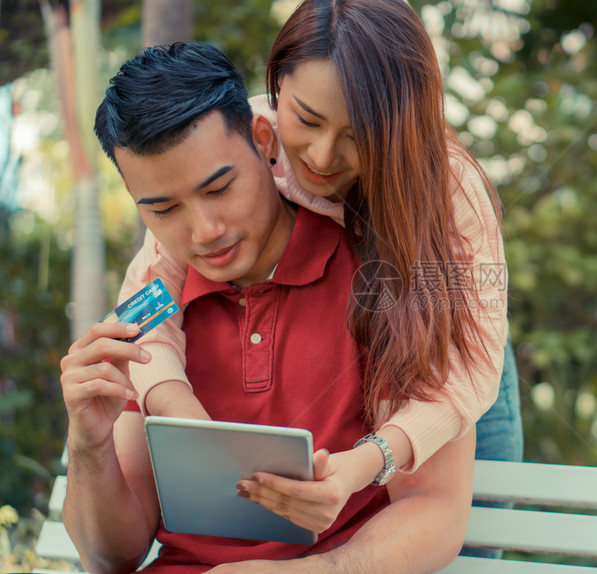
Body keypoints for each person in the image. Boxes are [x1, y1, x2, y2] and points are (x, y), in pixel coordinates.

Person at [117, 0, 523, 549]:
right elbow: (148, 298)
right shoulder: (239, 145)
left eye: (359, 134)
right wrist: (186, 418)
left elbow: (466, 376)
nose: (323, 156)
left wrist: (371, 460)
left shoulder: (451, 192)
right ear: (276, 90)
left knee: (460, 545)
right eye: (306, 120)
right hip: (368, 338)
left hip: (457, 362)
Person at [60, 41, 475, 574]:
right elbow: (109, 558)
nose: (205, 232)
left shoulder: (388, 274)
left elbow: (435, 510)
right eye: (163, 209)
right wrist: (88, 443)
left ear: (263, 139)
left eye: (221, 187)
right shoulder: (151, 317)